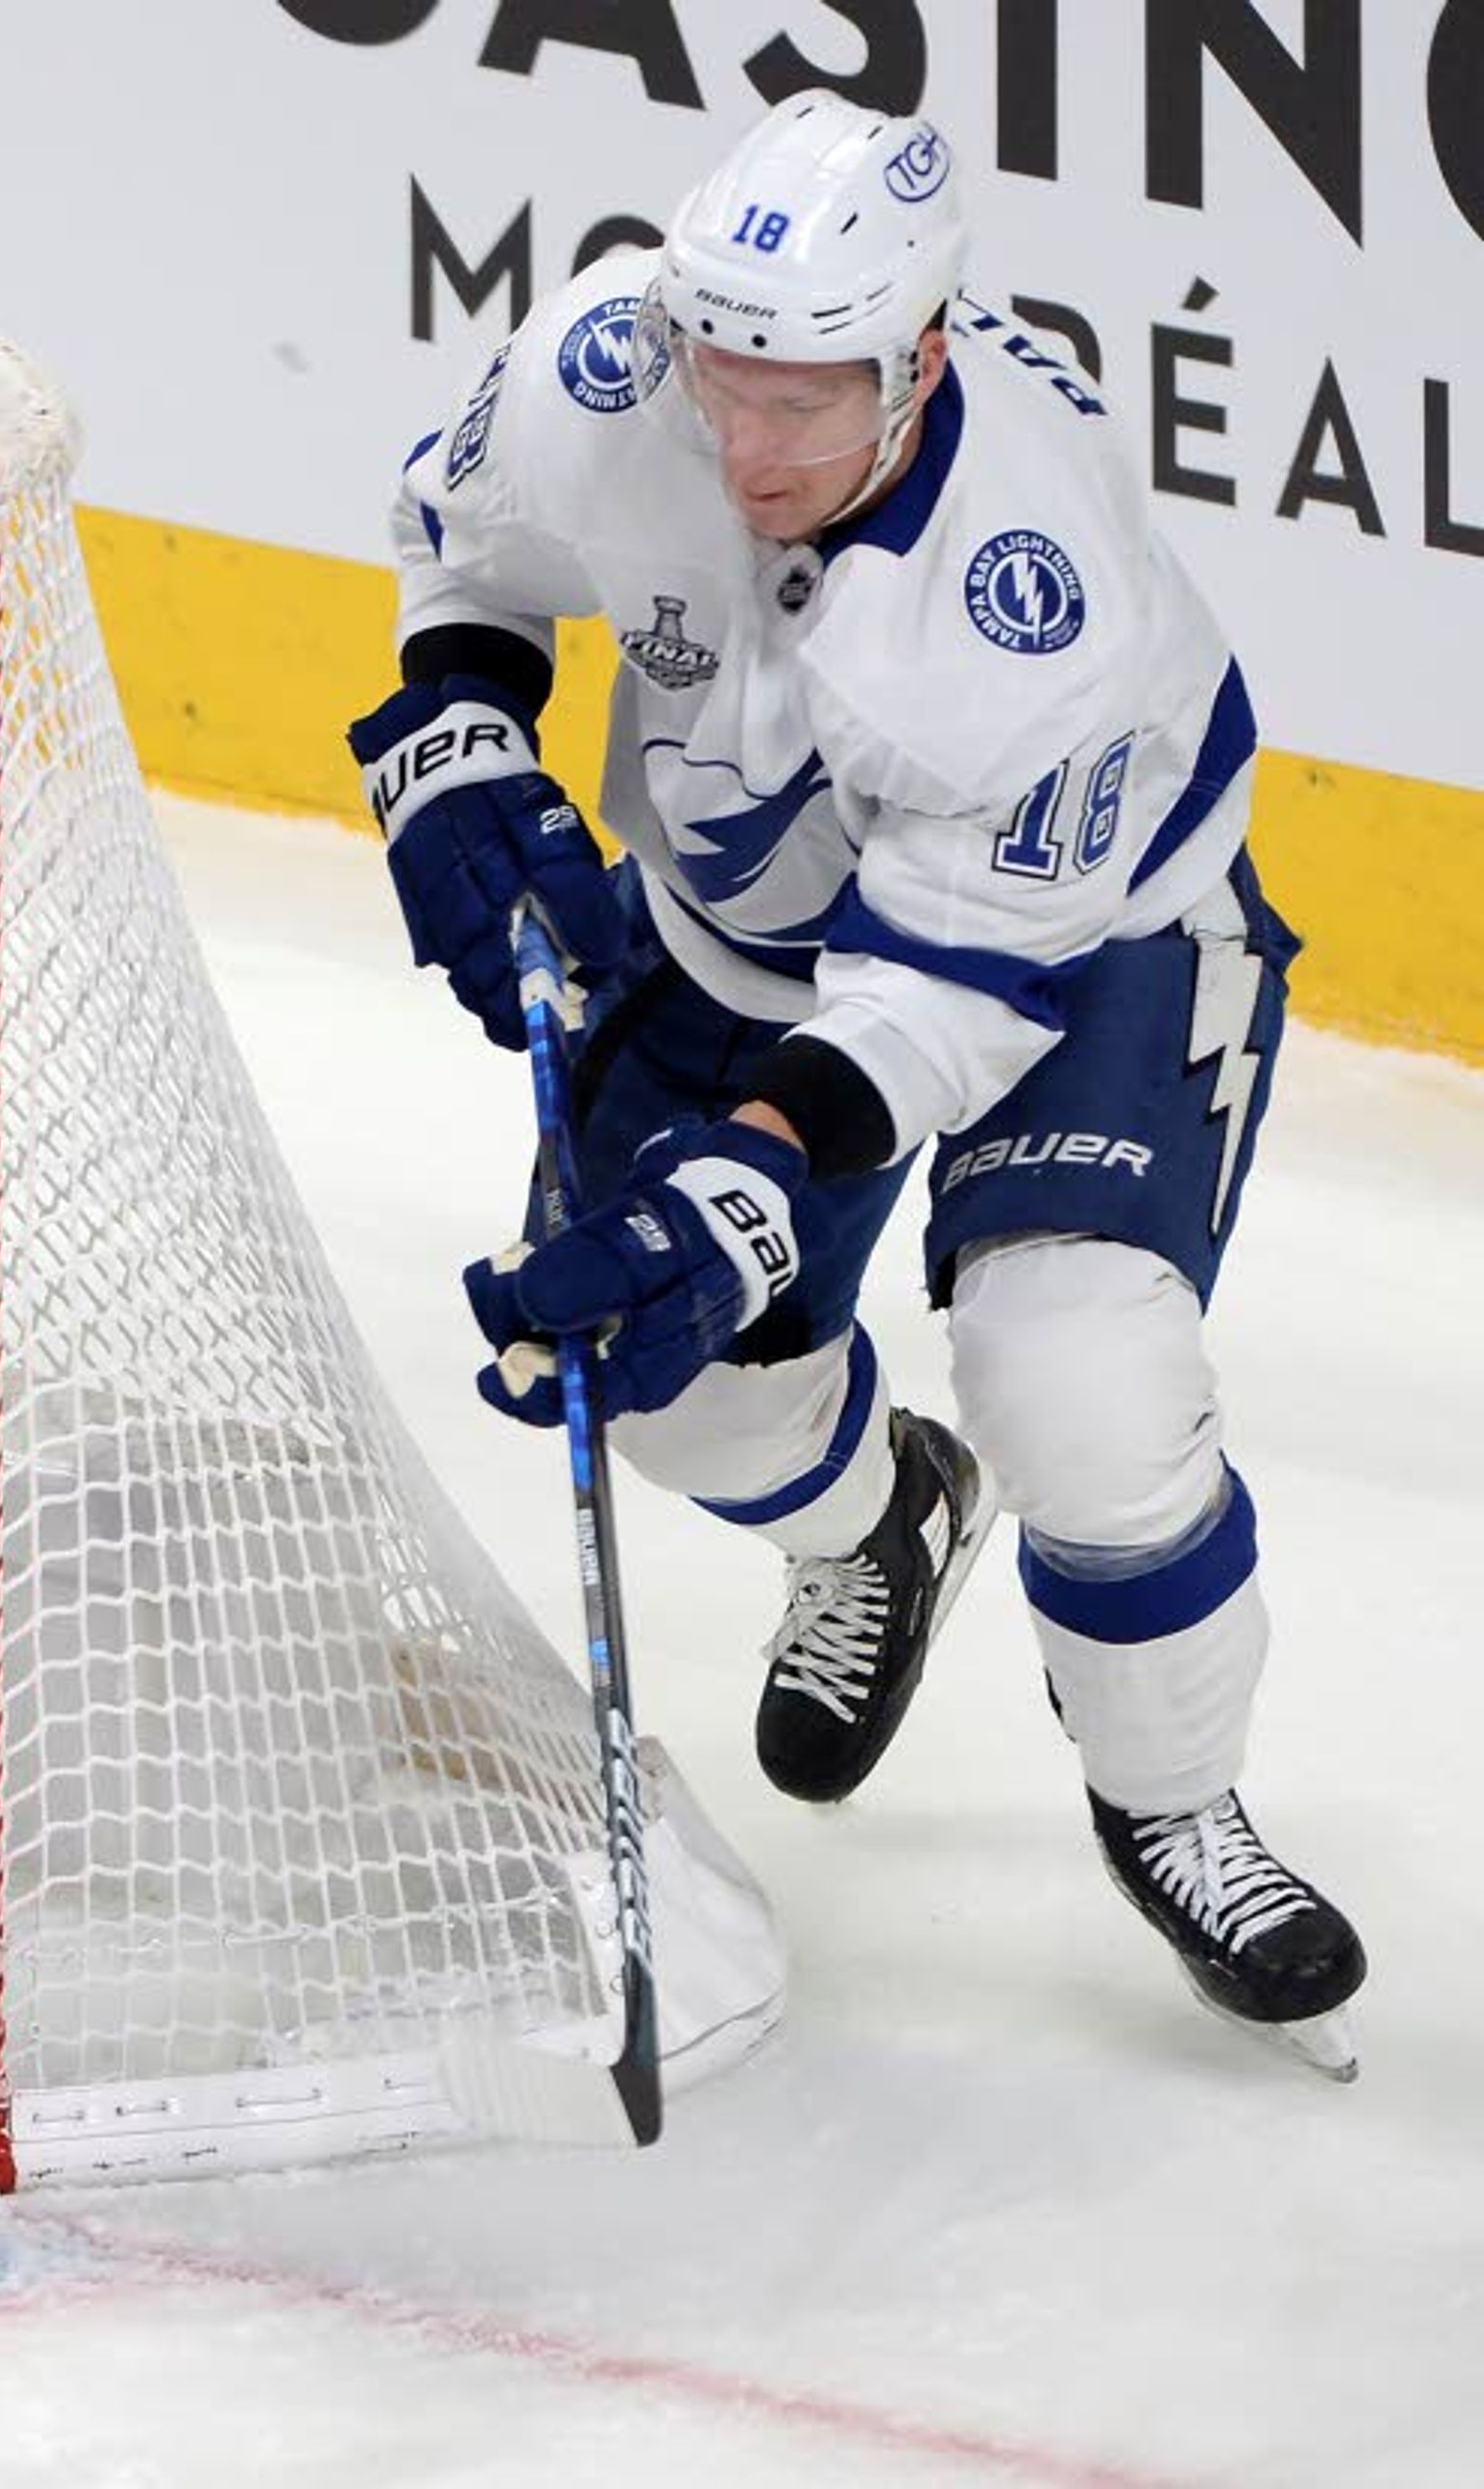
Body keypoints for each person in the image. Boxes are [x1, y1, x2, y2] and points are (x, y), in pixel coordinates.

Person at [348, 92, 1365, 2074]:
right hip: (750, 923)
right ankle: (878, 1520)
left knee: (1078, 1374)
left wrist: (739, 1181)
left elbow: (950, 993)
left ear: (916, 355)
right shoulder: (617, 364)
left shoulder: (1029, 588)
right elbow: (456, 541)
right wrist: (457, 743)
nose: (745, 448)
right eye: (726, 379)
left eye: (804, 400)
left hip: (1085, 952)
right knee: (662, 1391)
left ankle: (1171, 1793)